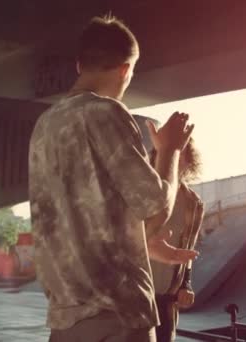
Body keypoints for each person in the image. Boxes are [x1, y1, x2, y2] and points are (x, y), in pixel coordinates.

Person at [29, 15, 198, 342]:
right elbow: (156, 209)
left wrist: (145, 242)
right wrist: (169, 150)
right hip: (118, 315)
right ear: (125, 69)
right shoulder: (106, 112)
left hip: (66, 320)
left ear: (80, 65)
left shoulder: (45, 126)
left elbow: (72, 219)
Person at [148, 139, 205, 342]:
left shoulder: (193, 203)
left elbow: (187, 251)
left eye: (179, 153)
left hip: (166, 300)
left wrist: (186, 284)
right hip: (134, 296)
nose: (175, 159)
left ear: (188, 160)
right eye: (169, 153)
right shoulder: (141, 193)